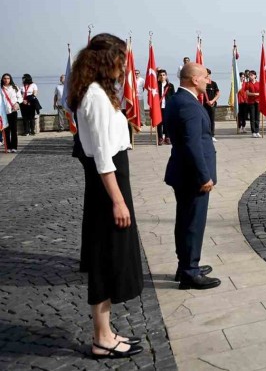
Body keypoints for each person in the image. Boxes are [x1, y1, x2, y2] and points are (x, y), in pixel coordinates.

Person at [68, 33, 144, 358]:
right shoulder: (96, 97)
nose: (124, 65)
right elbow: (101, 157)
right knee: (104, 260)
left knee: (110, 258)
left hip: (111, 183)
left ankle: (107, 332)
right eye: (120, 58)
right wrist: (118, 200)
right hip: (107, 187)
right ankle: (101, 338)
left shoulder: (101, 93)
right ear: (105, 59)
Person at [163, 62, 220, 290]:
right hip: (192, 176)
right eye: (205, 76)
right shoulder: (188, 105)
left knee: (185, 221)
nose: (209, 80)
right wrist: (204, 176)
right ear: (194, 80)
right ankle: (190, 272)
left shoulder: (177, 99)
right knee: (193, 223)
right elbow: (192, 144)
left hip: (183, 173)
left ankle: (185, 264)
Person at [1, 74, 22, 152]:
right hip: (4, 111)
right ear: (2, 79)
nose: (6, 80)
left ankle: (14, 147)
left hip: (13, 110)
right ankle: (8, 147)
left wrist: (17, 103)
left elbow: (20, 97)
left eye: (8, 78)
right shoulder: (1, 88)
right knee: (6, 129)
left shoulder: (15, 87)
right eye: (5, 78)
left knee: (14, 129)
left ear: (10, 79)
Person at [200, 68, 220, 141]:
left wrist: (212, 101)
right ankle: (204, 134)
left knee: (211, 120)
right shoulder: (201, 84)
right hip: (202, 105)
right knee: (203, 120)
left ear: (209, 74)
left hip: (211, 105)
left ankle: (212, 135)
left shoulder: (213, 83)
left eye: (207, 74)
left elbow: (218, 94)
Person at [157, 69, 175, 145]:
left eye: (164, 75)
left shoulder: (170, 85)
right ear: (158, 76)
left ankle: (167, 137)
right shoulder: (156, 85)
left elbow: (173, 96)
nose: (162, 76)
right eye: (160, 75)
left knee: (167, 122)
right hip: (158, 106)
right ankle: (160, 138)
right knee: (159, 123)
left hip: (167, 106)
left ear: (166, 76)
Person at [244, 70, 261, 138]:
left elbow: (261, 92)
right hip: (251, 103)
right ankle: (253, 132)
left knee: (257, 117)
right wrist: (255, 94)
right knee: (252, 117)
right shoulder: (248, 84)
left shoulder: (259, 83)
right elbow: (247, 93)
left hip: (258, 102)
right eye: (249, 75)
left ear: (255, 76)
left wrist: (259, 95)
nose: (250, 76)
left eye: (252, 75)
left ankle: (257, 131)